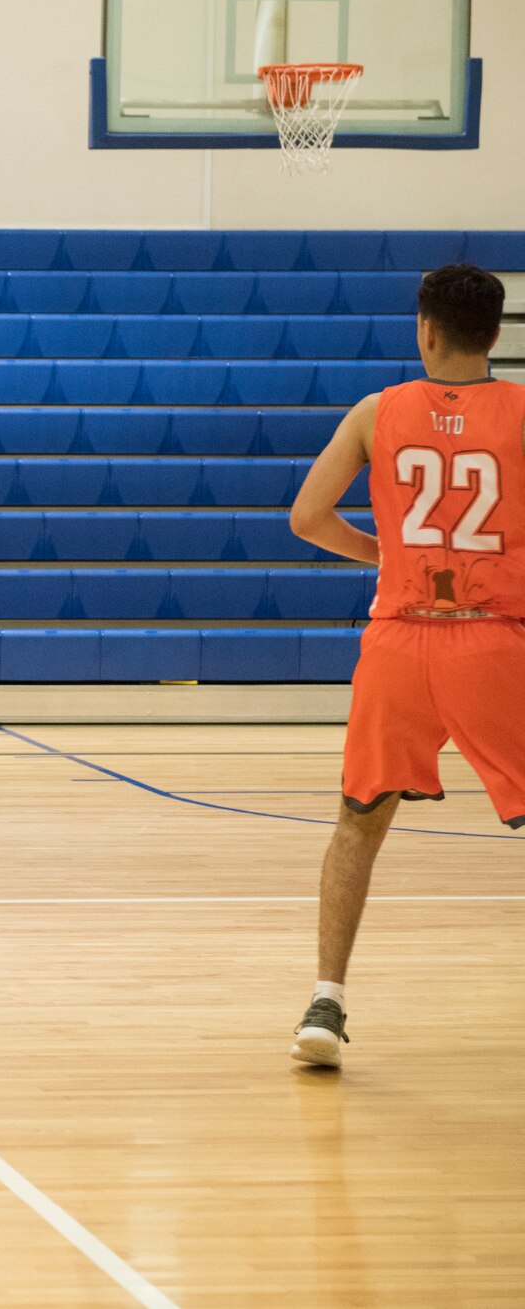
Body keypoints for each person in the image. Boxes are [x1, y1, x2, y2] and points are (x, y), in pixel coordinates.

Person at [286, 264, 525, 1069]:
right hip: (491, 639)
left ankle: (325, 1001)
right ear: (495, 335)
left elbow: (306, 517)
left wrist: (384, 551)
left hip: (397, 640)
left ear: (426, 329)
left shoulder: (375, 411)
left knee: (358, 822)